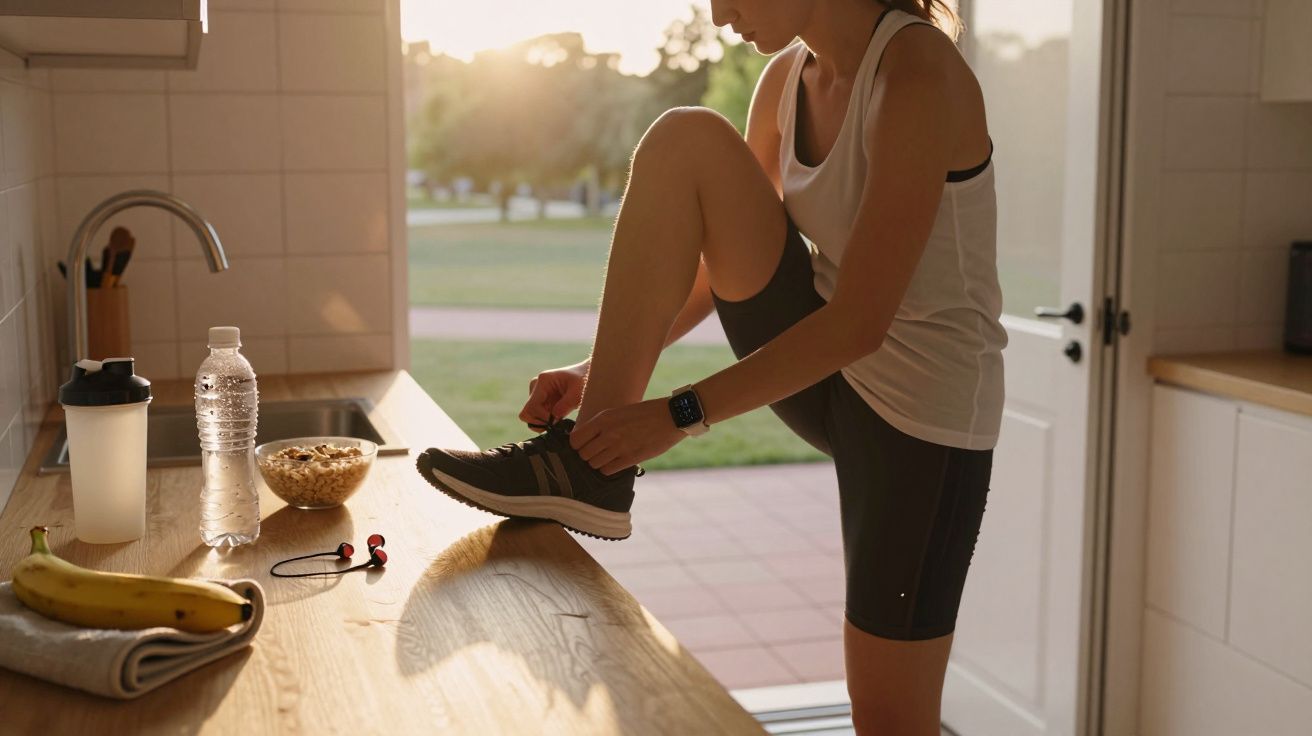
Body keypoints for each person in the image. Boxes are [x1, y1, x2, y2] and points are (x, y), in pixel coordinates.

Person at [416, 1, 1003, 732]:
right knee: (684, 140)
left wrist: (678, 414)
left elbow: (861, 323)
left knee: (886, 716)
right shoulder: (786, 77)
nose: (721, 15)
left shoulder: (918, 75)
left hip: (921, 424)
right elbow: (718, 260)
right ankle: (590, 467)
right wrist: (598, 373)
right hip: (822, 369)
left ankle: (595, 464)